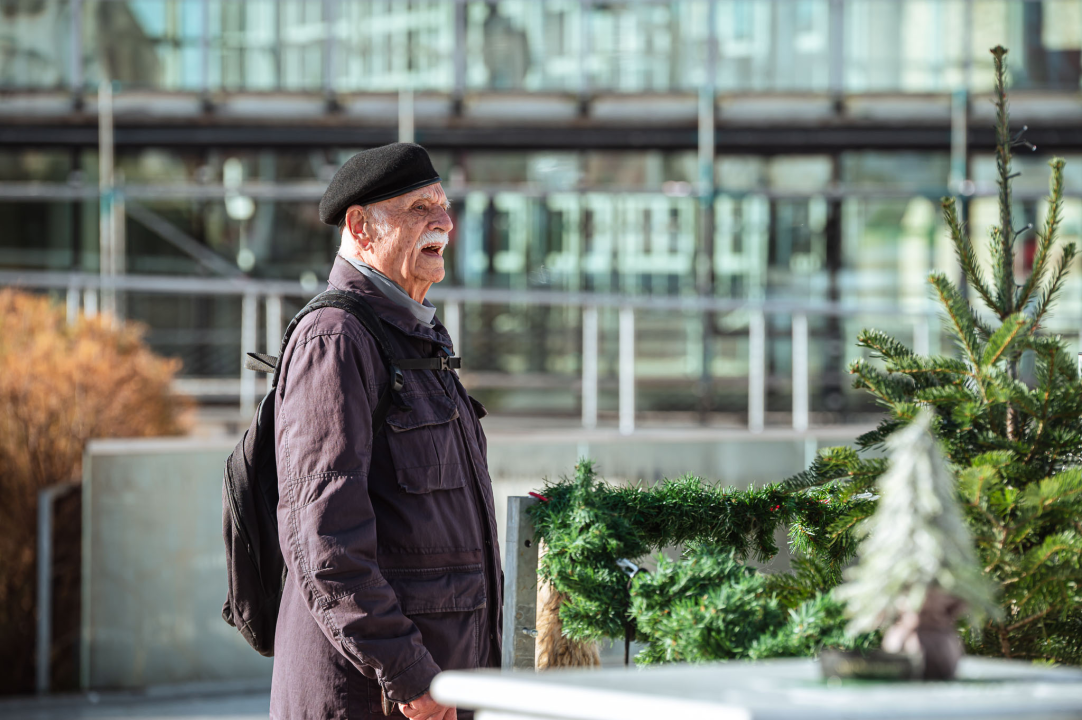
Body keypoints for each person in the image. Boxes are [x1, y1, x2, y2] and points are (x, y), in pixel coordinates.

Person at [270, 143, 502, 720]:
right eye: (420, 207)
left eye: (444, 206)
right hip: (375, 697)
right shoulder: (337, 338)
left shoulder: (416, 336)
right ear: (360, 226)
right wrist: (407, 673)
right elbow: (325, 537)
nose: (444, 222)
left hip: (438, 691)